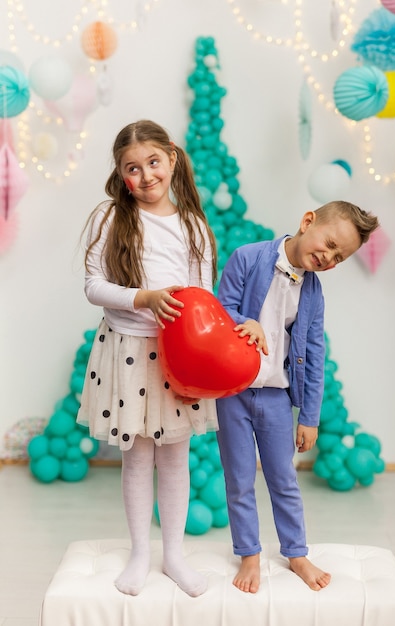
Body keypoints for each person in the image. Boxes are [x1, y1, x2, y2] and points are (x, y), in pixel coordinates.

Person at [77, 119, 218, 597]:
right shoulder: (110, 217)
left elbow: (202, 294)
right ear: (121, 175)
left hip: (176, 357)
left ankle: (173, 556)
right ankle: (140, 552)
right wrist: (144, 298)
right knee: (137, 459)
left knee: (175, 458)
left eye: (153, 162)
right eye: (132, 168)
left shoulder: (194, 225)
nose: (146, 175)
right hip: (128, 351)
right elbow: (93, 286)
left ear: (172, 160)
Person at [215, 200, 379, 594]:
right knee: (238, 480)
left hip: (274, 397)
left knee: (284, 480)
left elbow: (315, 355)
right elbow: (218, 312)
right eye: (330, 243)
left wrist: (310, 416)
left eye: (339, 257)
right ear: (308, 222)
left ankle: (296, 552)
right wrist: (244, 322)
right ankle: (249, 555)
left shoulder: (313, 294)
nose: (329, 258)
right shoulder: (247, 257)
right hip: (232, 393)